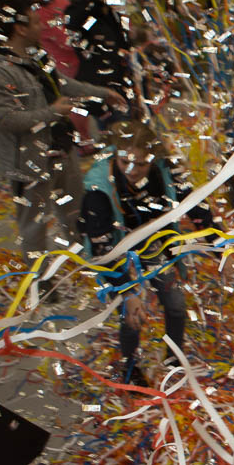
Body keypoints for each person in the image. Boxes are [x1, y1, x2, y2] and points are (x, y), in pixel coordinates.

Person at [0, 0, 126, 261]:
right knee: (34, 225)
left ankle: (86, 262)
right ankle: (39, 278)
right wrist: (51, 113)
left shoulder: (37, 56)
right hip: (28, 162)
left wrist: (102, 93)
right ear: (20, 29)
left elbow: (62, 83)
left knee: (76, 214)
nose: (42, 26)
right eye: (36, 22)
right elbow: (6, 120)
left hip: (62, 150)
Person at [79, 122, 186, 385]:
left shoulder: (163, 170)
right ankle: (129, 370)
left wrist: (219, 243)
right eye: (125, 162)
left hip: (152, 244)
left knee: (176, 305)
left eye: (140, 164)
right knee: (131, 317)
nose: (131, 170)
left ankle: (174, 361)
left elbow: (193, 202)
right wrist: (128, 292)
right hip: (116, 251)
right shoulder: (98, 192)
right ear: (115, 155)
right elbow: (102, 250)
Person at [67, 0, 133, 118]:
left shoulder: (109, 12)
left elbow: (123, 44)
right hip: (92, 94)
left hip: (117, 90)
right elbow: (73, 25)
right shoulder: (77, 12)